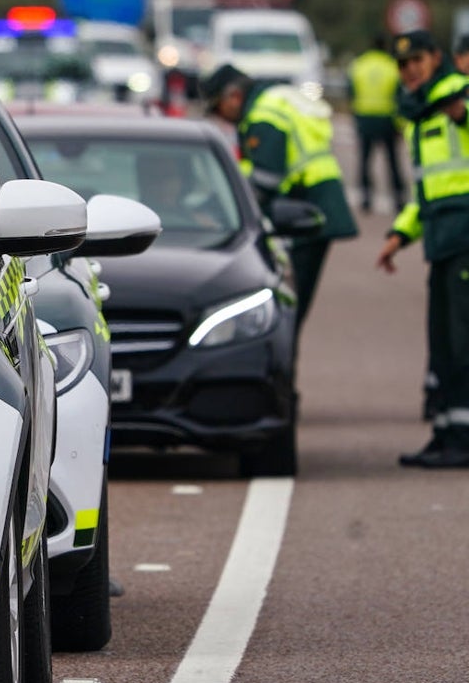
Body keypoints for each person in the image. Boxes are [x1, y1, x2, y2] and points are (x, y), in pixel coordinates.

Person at [201, 64, 358, 332]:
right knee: (292, 306)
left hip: (306, 210)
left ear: (234, 96)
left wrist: (226, 211)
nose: (222, 118)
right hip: (312, 204)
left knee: (289, 311)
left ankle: (282, 362)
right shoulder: (272, 100)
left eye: (218, 108)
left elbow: (265, 181)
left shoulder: (264, 115)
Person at [375, 29, 469, 468]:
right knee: (444, 343)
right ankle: (447, 432)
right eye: (402, 65)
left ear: (438, 58)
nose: (409, 70)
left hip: (465, 236)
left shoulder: (453, 97)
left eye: (417, 61)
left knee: (462, 342)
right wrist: (399, 234)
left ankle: (463, 439)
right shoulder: (424, 116)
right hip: (442, 238)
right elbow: (428, 193)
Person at [347, 34, 406, 213]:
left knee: (364, 160)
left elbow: (350, 91)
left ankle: (366, 197)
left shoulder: (359, 65)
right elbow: (400, 96)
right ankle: (399, 198)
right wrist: (400, 123)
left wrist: (355, 115)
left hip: (365, 117)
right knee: (393, 161)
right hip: (387, 119)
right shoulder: (392, 66)